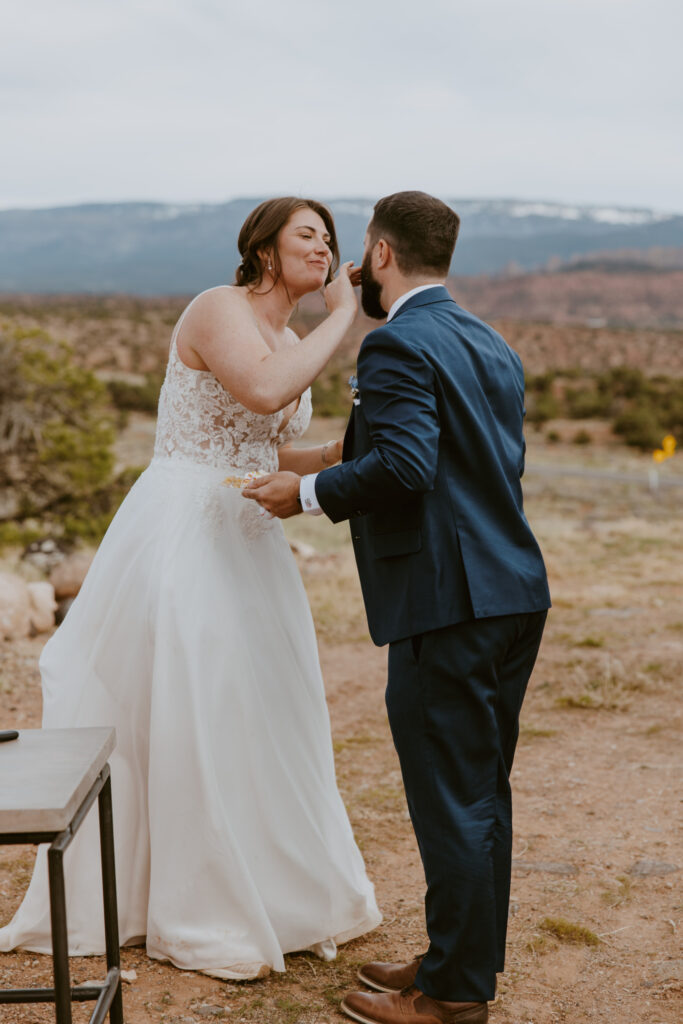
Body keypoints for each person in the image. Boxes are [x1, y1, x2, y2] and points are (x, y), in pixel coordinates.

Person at [0, 197, 381, 979]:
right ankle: (180, 897)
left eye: (330, 239)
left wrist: (346, 448)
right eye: (307, 235)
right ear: (265, 250)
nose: (324, 247)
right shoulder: (219, 308)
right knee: (191, 700)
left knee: (259, 705)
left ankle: (273, 887)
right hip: (182, 530)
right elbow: (265, 393)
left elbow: (272, 443)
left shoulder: (285, 334)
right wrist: (345, 316)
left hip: (248, 535)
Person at [243, 191, 551, 1023]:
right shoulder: (487, 340)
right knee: (481, 790)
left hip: (447, 603)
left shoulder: (395, 347)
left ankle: (452, 997)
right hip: (513, 589)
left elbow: (407, 467)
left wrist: (302, 492)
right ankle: (453, 959)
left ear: (379, 253)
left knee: (452, 796)